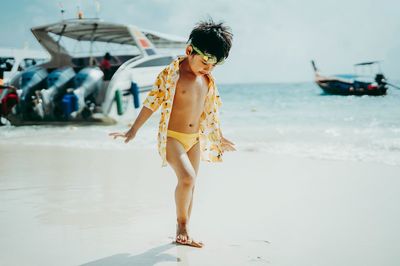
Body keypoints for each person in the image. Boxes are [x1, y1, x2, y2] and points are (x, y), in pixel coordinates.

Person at [109, 19, 235, 248]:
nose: (208, 69)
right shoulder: (172, 74)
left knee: (191, 184)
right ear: (190, 51)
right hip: (173, 137)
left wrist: (219, 136)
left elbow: (210, 111)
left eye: (214, 65)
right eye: (206, 62)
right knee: (187, 178)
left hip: (194, 139)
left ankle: (186, 228)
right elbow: (153, 100)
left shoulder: (207, 79)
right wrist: (133, 129)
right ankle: (181, 226)